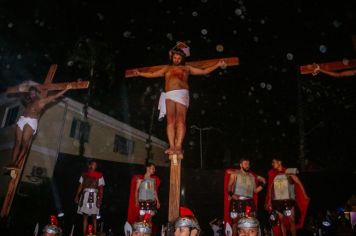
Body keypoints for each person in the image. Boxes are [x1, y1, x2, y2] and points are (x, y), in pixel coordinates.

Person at [133, 41, 226, 155]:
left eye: (178, 58)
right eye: (175, 57)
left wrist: (217, 64)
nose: (176, 59)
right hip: (169, 95)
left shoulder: (186, 68)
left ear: (182, 59)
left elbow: (203, 71)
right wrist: (140, 73)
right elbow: (152, 74)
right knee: (170, 121)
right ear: (172, 58)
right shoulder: (167, 68)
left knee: (181, 120)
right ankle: (172, 146)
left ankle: (178, 146)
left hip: (182, 93)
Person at [7, 84, 72, 168]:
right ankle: (12, 162)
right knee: (17, 142)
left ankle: (17, 164)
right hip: (22, 120)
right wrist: (19, 89)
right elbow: (19, 92)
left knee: (24, 143)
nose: (32, 94)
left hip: (31, 122)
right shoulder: (29, 102)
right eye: (30, 93)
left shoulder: (41, 101)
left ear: (37, 93)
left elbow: (55, 96)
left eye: (33, 93)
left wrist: (66, 89)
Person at [265, 156, 310, 236]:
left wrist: (305, 195)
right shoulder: (273, 174)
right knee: (281, 221)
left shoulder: (288, 172)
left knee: (291, 220)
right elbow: (270, 189)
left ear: (279, 162)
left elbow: (298, 183)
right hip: (277, 201)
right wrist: (269, 201)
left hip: (288, 201)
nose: (272, 164)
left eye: (274, 162)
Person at [224, 158, 266, 236]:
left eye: (248, 164)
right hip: (237, 202)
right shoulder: (235, 174)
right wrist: (232, 194)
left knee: (250, 222)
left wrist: (263, 184)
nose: (247, 165)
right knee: (235, 223)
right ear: (241, 165)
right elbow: (229, 186)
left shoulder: (252, 177)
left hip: (249, 202)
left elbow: (255, 191)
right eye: (245, 164)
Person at [127, 163, 161, 231]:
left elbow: (154, 191)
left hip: (151, 202)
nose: (154, 170)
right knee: (141, 222)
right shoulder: (140, 179)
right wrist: (136, 201)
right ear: (147, 168)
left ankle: (147, 234)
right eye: (152, 168)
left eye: (154, 169)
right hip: (142, 202)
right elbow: (136, 191)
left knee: (149, 222)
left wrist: (158, 201)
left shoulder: (153, 180)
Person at [75, 159, 105, 236]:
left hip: (94, 197)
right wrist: (77, 195)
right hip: (85, 196)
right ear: (89, 165)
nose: (93, 166)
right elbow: (80, 186)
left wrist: (100, 199)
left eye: (95, 165)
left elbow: (101, 188)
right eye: (92, 164)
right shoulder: (84, 174)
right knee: (85, 216)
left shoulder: (99, 175)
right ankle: (84, 234)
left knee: (94, 216)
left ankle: (94, 234)